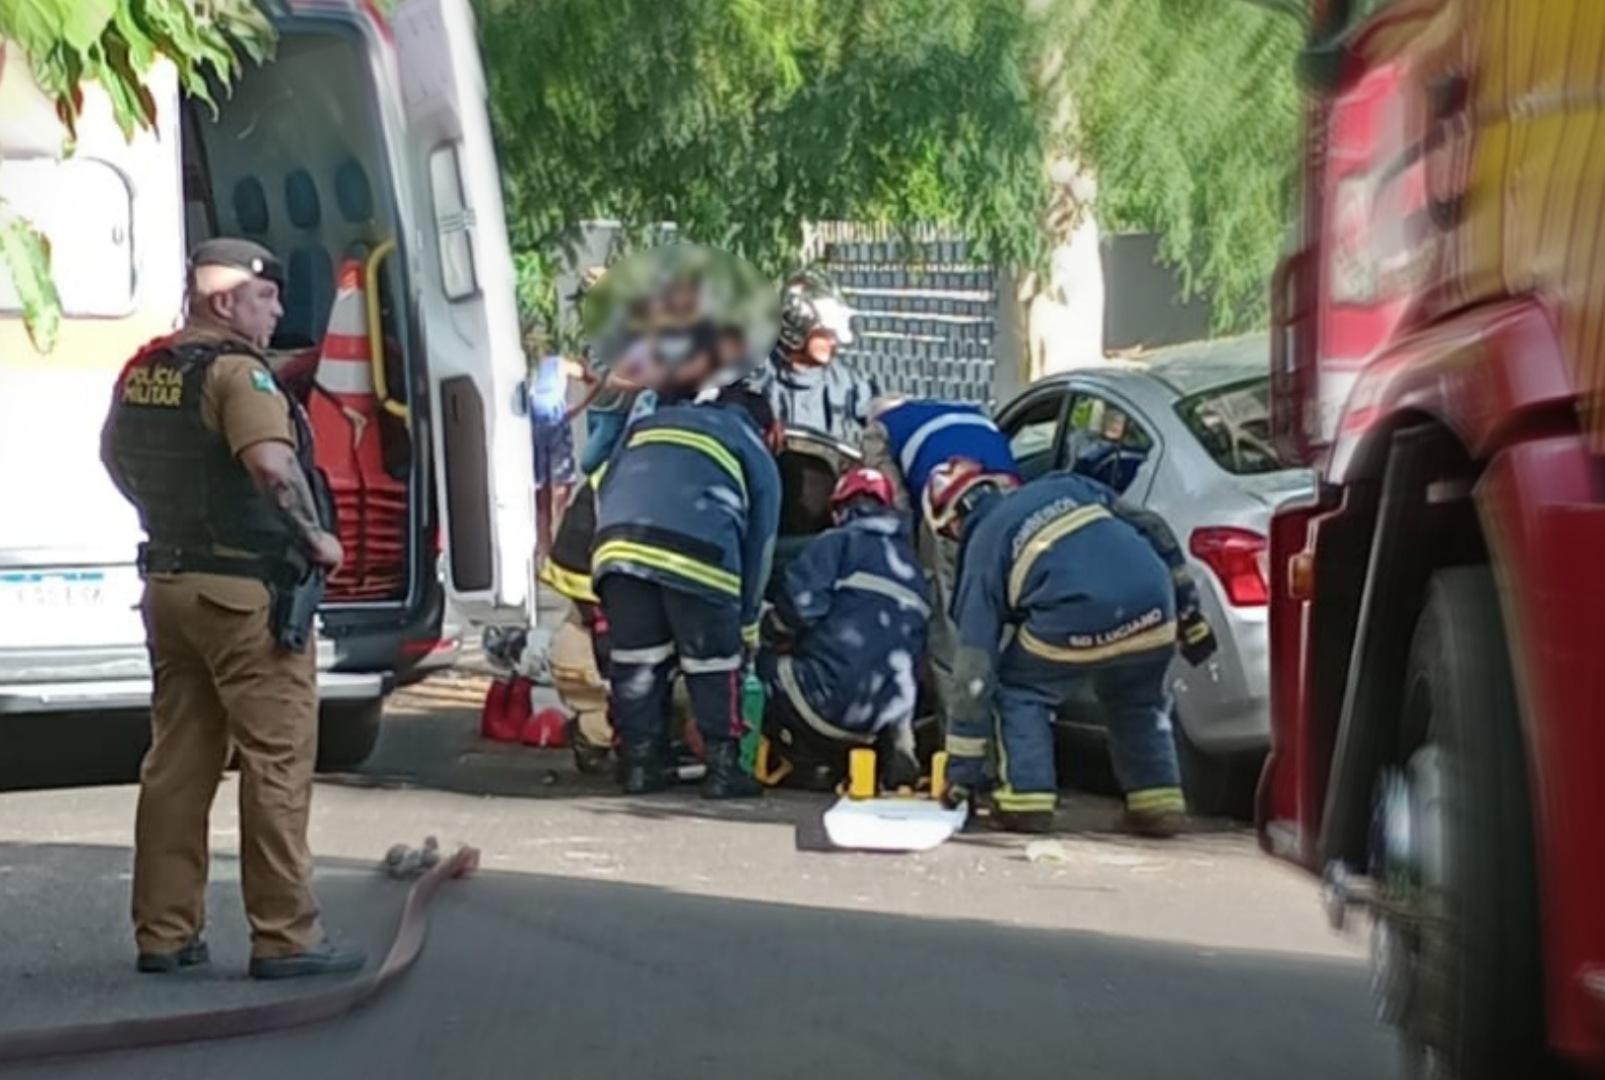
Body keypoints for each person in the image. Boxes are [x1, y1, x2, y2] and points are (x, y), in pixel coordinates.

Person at [100, 238, 365, 978]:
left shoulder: (148, 370)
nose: (278, 309)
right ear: (225, 300)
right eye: (265, 296)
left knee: (177, 764)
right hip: (244, 596)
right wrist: (316, 541)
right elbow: (271, 468)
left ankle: (165, 932)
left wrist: (172, 520)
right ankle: (286, 937)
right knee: (276, 762)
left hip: (170, 586)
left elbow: (115, 460)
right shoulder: (238, 374)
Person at [927, 458, 1218, 838]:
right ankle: (1156, 806)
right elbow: (1154, 527)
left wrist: (961, 775)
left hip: (1077, 609)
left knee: (1018, 692)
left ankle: (1026, 803)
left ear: (952, 524)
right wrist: (1189, 613)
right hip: (1153, 603)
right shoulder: (1065, 484)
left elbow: (974, 674)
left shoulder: (981, 546)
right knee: (1136, 697)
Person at [592, 310, 782, 798]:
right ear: (768, 430)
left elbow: (608, 482)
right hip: (698, 554)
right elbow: (759, 542)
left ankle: (640, 764)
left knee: (637, 660)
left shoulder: (651, 423)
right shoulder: (749, 444)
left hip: (617, 548)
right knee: (713, 661)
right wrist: (747, 621)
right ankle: (723, 769)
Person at [757, 467, 930, 790]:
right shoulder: (912, 566)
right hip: (883, 718)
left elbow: (799, 609)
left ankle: (795, 757)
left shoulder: (836, 543)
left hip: (822, 706)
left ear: (838, 511)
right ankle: (894, 749)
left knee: (757, 668)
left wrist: (766, 633)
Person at [859, 396, 1020, 728]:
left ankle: (961, 742)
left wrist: (909, 562)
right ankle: (1010, 728)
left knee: (949, 629)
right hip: (1010, 500)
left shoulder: (880, 430)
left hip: (951, 504)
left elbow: (894, 506)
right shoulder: (974, 413)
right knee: (1005, 612)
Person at [751, 270, 876, 445]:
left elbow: (878, 430)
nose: (833, 341)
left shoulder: (850, 385)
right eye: (824, 333)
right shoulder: (755, 378)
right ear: (797, 328)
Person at [523, 332, 578, 559]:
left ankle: (552, 550)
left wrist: (575, 409)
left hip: (548, 428)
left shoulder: (554, 365)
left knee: (554, 493)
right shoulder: (526, 368)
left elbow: (592, 378)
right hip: (539, 430)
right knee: (546, 495)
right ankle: (548, 554)